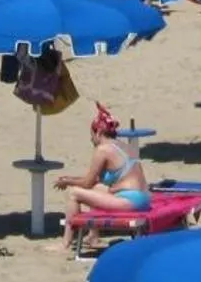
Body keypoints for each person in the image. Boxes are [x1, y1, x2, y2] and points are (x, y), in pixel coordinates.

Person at [55, 105, 150, 253]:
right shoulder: (124, 146)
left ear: (98, 132)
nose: (91, 139)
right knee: (97, 189)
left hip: (130, 200)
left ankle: (65, 243)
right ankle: (93, 236)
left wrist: (67, 181)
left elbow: (87, 182)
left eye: (92, 135)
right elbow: (94, 182)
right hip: (143, 198)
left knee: (73, 193)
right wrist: (71, 179)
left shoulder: (103, 149)